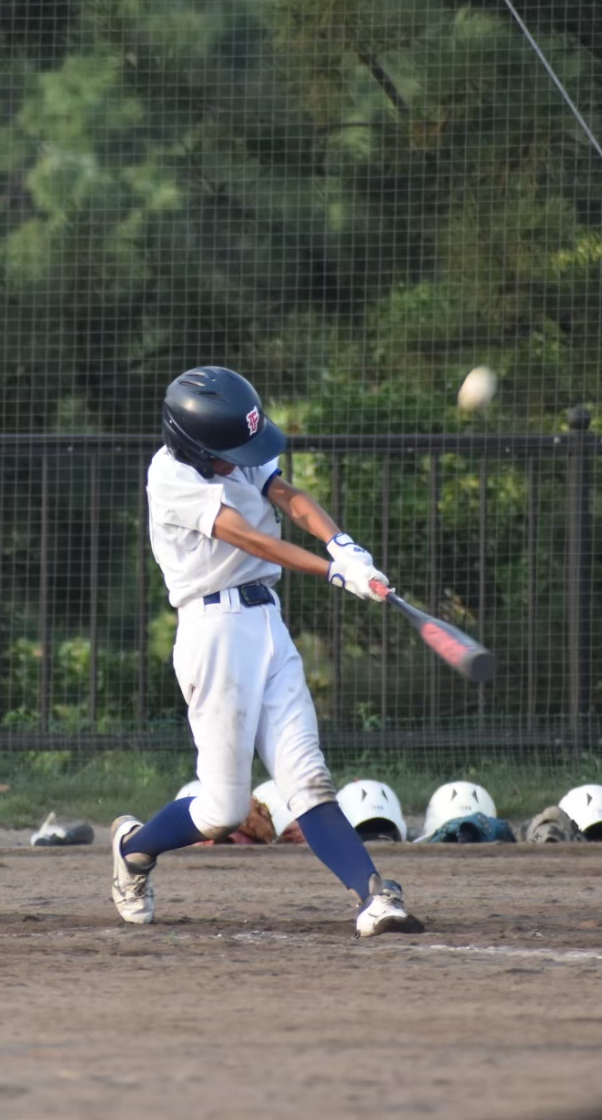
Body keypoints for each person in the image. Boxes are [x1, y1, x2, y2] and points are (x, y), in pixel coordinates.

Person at [110, 366, 426, 937]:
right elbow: (253, 539)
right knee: (223, 811)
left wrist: (343, 545)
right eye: (229, 453)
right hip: (214, 634)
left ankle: (374, 895)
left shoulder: (232, 446)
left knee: (308, 777)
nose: (241, 460)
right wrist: (333, 573)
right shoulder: (170, 477)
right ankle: (134, 849)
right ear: (195, 446)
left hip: (266, 624)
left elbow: (288, 496)